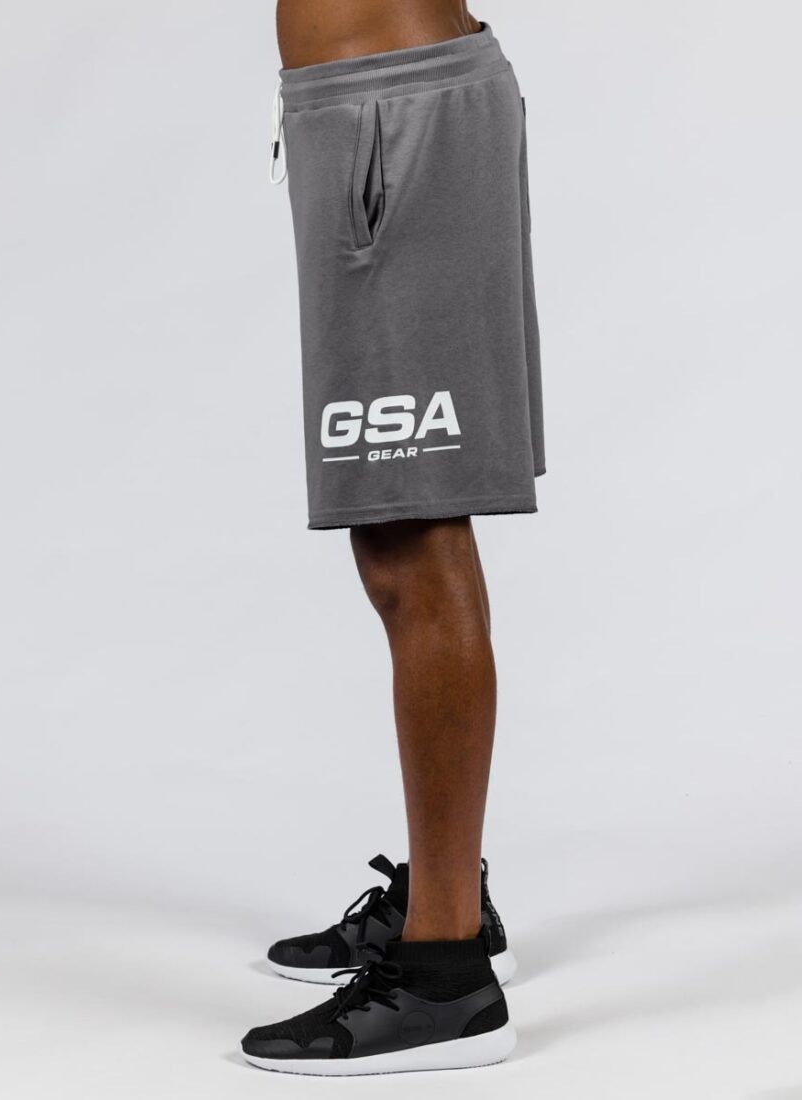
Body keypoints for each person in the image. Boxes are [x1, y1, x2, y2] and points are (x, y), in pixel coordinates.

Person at [241, 0, 545, 1074]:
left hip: (392, 112)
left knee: (408, 533)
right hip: (365, 109)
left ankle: (444, 975)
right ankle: (444, 894)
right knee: (399, 534)